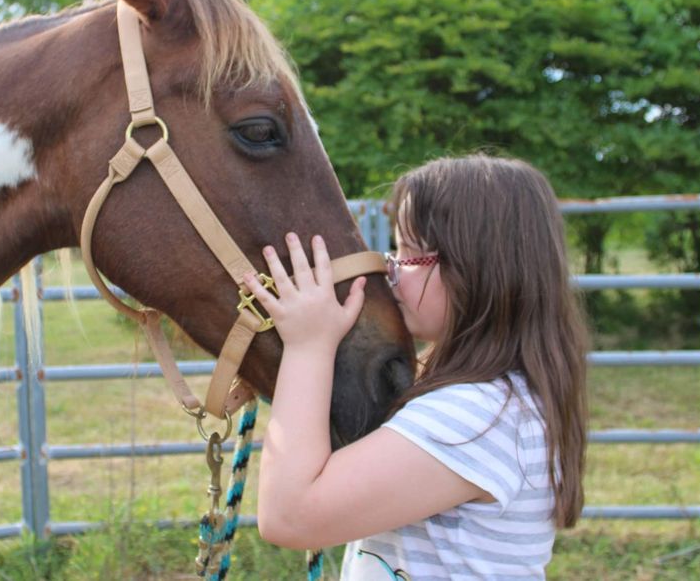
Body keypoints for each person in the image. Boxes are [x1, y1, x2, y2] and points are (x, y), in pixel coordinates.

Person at [242, 154, 589, 580]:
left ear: (474, 266)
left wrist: (307, 347)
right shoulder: (501, 399)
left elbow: (289, 517)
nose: (390, 272)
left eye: (409, 254)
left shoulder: (474, 417)